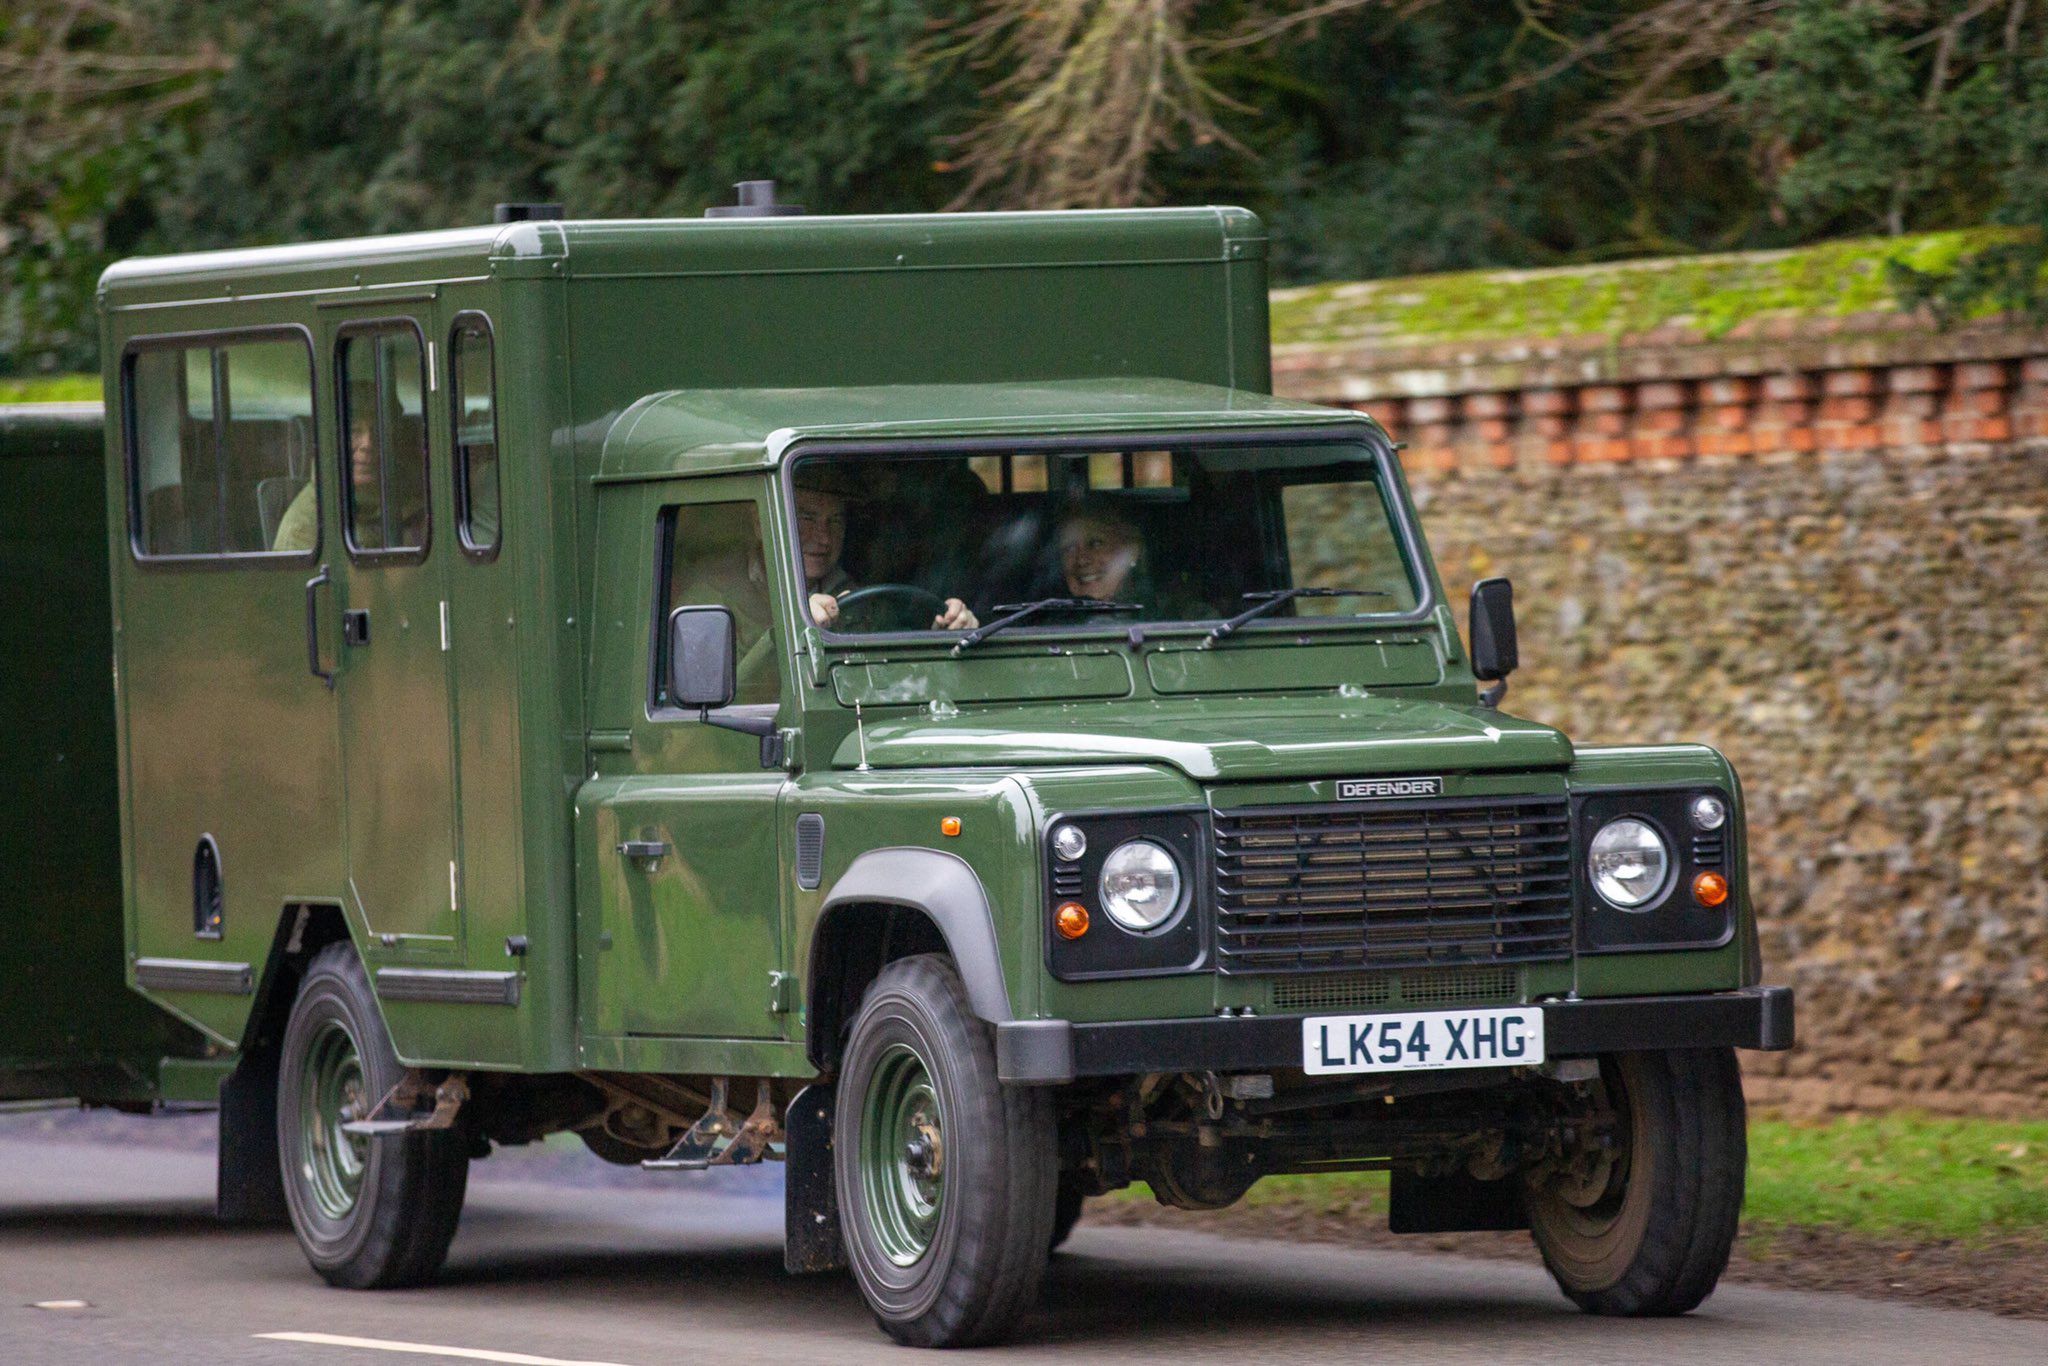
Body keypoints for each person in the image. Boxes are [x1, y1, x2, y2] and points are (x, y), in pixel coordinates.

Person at [797, 480, 978, 632]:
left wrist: (948, 630)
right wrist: (798, 623)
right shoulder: (769, 602)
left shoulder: (865, 603)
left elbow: (905, 666)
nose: (824, 538)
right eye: (807, 518)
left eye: (835, 520)